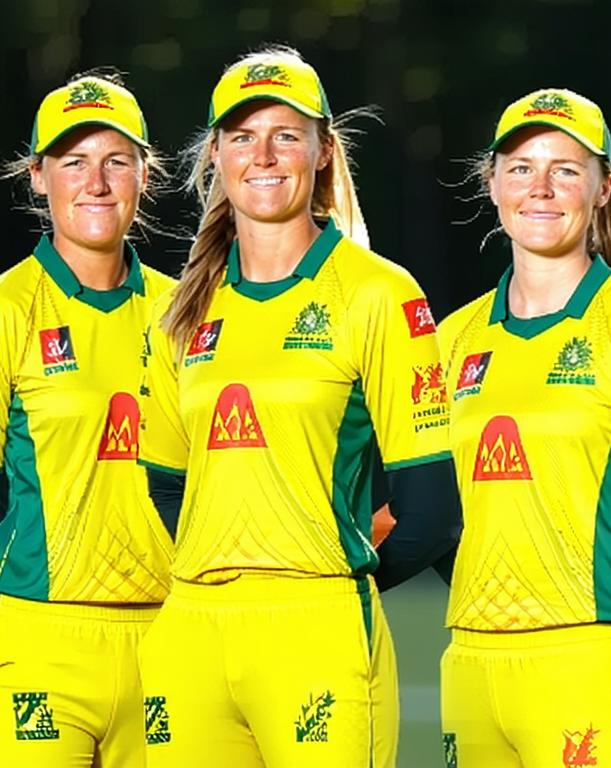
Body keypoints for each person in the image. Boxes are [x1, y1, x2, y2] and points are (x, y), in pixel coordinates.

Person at [137, 46, 461, 768]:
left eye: (286, 135)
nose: (263, 156)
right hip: (193, 628)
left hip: (317, 625)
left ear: (323, 151)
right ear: (216, 154)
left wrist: (328, 577)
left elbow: (432, 508)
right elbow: (166, 484)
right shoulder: (182, 309)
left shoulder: (378, 293)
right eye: (243, 137)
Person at [437, 87, 611, 768]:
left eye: (565, 169)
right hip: (473, 657)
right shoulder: (454, 338)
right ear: (492, 183)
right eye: (520, 168)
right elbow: (443, 511)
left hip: (591, 654)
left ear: (603, 190)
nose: (540, 188)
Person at [0, 71, 175, 767]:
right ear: (38, 177)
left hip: (169, 634)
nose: (96, 183)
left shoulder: (185, 311)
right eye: (74, 162)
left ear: (144, 174)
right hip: (40, 636)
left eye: (116, 161)